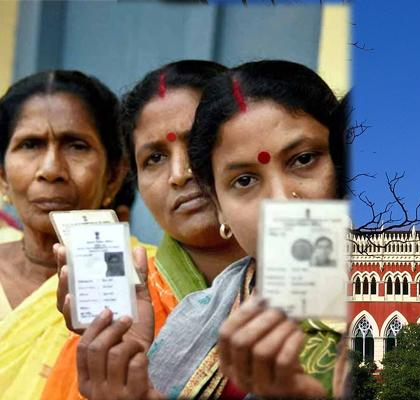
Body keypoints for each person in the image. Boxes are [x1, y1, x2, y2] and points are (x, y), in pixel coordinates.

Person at [74, 60, 350, 399]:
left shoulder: (407, 299)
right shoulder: (192, 325)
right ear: (218, 204)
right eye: (244, 180)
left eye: (304, 159)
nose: (281, 201)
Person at [42, 60, 247, 400]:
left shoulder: (312, 285)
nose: (180, 173)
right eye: (154, 158)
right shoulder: (119, 315)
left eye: (197, 142)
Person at [0, 70, 127, 399]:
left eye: (76, 146)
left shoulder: (148, 279)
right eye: (30, 145)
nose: (52, 170)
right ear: (1, 176)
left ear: (114, 175)